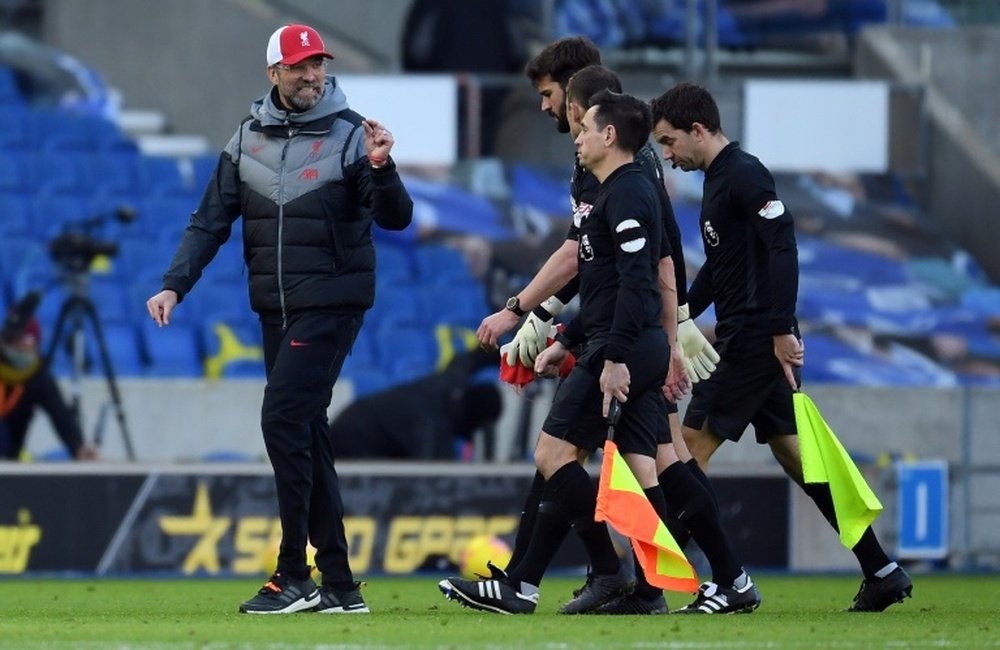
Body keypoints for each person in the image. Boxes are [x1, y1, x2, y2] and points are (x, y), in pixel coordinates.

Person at [145, 24, 413, 615]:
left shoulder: (352, 135)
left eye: (317, 64)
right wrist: (173, 286)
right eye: (298, 66)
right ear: (274, 74)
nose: (311, 75)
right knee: (307, 433)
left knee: (282, 419)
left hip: (332, 303)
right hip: (277, 309)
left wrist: (384, 167)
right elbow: (209, 221)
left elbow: (396, 219)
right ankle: (340, 585)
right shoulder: (245, 139)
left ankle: (294, 573)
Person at [650, 81, 913, 613]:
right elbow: (722, 271)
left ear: (698, 130)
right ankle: (880, 569)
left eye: (670, 141)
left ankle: (692, 581)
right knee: (796, 455)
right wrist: (677, 318)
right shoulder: (718, 180)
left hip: (751, 339)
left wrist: (780, 329)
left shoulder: (745, 174)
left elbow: (783, 243)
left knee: (687, 450)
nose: (668, 155)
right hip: (749, 335)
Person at [330, 349, 502, 460]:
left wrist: (509, 353)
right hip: (350, 447)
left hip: (350, 420)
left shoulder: (453, 381)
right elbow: (433, 483)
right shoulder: (434, 427)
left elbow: (473, 357)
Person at [0, 291, 99, 461]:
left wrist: (78, 447)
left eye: (27, 344)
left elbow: (60, 414)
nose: (22, 348)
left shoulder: (37, 375)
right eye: (16, 342)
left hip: (10, 456)